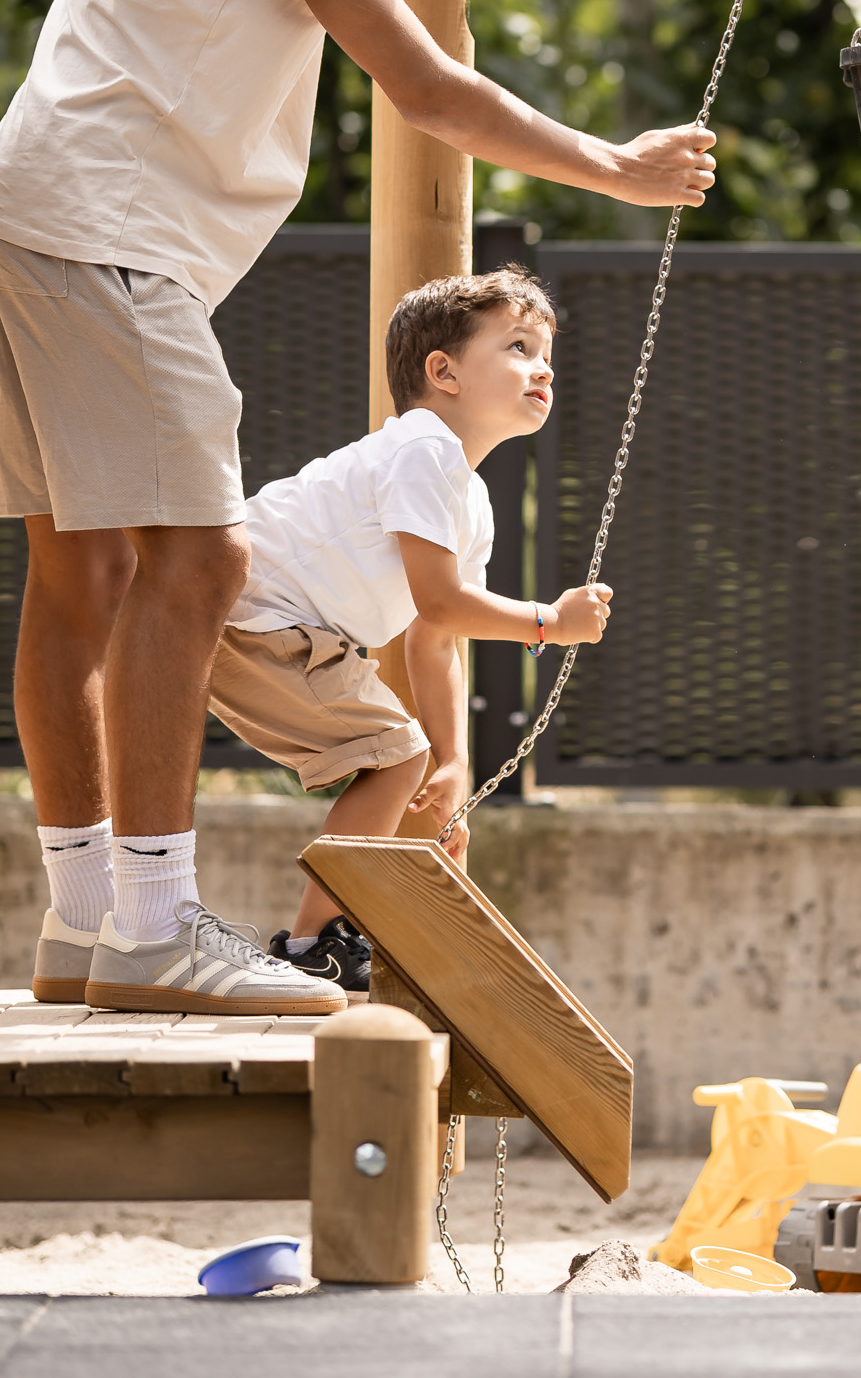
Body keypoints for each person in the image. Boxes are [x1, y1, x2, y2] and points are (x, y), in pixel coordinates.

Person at [0, 0, 791, 1017]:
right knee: (200, 566)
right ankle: (152, 929)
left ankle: (86, 921)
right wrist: (617, 164)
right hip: (106, 231)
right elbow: (424, 85)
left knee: (83, 570)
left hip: (36, 202)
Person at [195, 266, 590, 994]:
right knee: (394, 755)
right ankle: (314, 943)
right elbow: (440, 605)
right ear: (443, 371)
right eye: (518, 347)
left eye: (547, 355)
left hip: (272, 624)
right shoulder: (423, 448)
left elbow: (433, 641)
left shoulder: (467, 495)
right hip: (252, 614)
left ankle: (322, 935)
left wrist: (454, 761)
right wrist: (548, 622)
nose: (543, 368)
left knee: (402, 757)